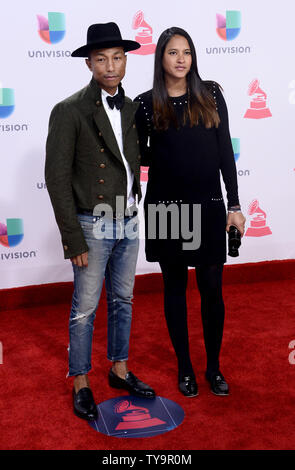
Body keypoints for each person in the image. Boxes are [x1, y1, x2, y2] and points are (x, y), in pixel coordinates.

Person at [45, 22, 155, 422]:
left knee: (123, 300)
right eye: (102, 59)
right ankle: (80, 381)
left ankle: (120, 368)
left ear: (126, 61)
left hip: (127, 219)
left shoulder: (131, 108)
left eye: (118, 57)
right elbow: (57, 179)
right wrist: (73, 239)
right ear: (89, 64)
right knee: (85, 308)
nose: (111, 65)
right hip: (91, 223)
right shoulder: (69, 110)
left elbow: (137, 157)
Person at [134, 27, 246, 397]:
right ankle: (185, 367)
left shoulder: (211, 94)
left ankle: (213, 367)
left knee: (212, 290)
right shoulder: (145, 104)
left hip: (210, 207)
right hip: (167, 209)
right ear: (160, 58)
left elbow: (224, 153)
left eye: (186, 52)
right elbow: (141, 157)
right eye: (172, 52)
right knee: (175, 288)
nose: (181, 59)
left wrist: (234, 205)